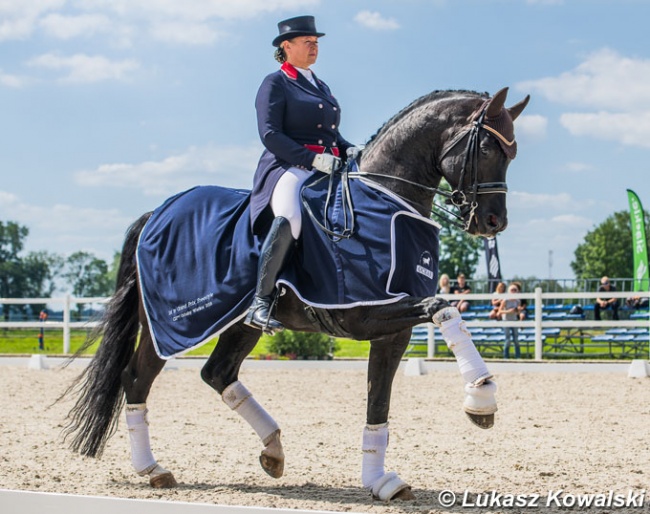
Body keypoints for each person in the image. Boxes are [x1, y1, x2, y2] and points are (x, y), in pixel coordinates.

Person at [245, 15, 358, 333]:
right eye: (307, 42)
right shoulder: (276, 82)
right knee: (291, 215)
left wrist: (349, 149)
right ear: (287, 46)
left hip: (328, 167)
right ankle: (261, 302)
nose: (314, 47)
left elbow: (330, 134)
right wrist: (311, 159)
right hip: (288, 167)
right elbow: (270, 134)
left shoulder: (320, 85)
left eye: (316, 42)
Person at [498, 283, 521, 359]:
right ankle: (506, 357)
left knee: (516, 339)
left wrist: (517, 311)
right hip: (506, 321)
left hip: (514, 320)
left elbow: (518, 312)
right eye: (512, 290)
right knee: (508, 340)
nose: (514, 291)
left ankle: (518, 357)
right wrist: (509, 311)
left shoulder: (517, 301)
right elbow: (500, 311)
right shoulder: (505, 300)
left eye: (515, 290)